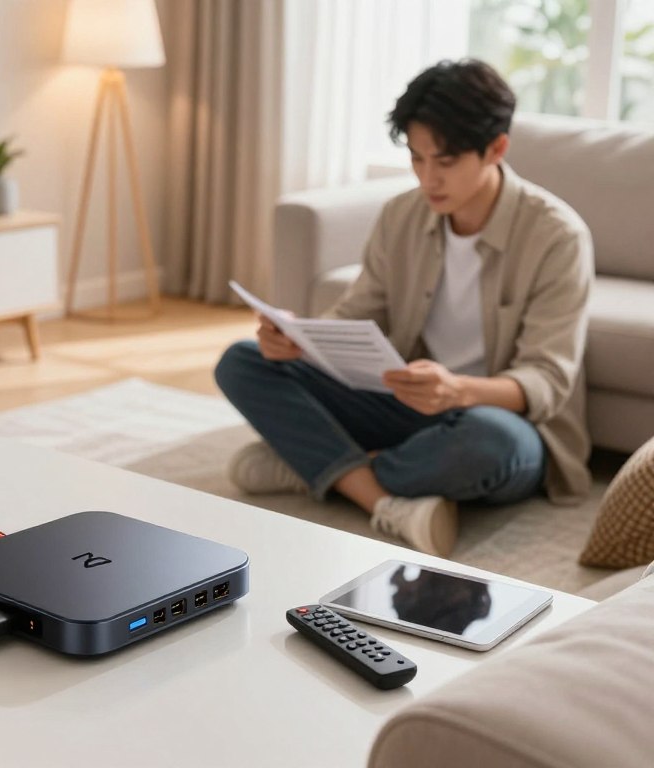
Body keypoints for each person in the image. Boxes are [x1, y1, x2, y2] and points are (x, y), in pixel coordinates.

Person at [214, 59, 594, 557]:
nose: (428, 178)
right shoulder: (402, 215)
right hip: (405, 407)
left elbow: (546, 381)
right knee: (243, 361)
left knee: (490, 443)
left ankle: (320, 466)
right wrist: (298, 341)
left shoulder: (557, 237)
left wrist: (457, 391)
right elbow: (356, 315)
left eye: (446, 161)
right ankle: (382, 497)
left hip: (495, 421)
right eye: (416, 158)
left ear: (496, 148)